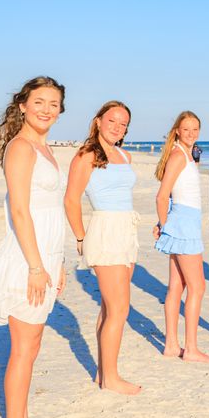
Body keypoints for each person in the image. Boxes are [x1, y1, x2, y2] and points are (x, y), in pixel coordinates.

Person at [0, 76, 67, 418]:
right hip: (27, 256)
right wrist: (35, 266)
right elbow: (20, 210)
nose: (46, 109)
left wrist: (57, 262)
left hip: (46, 254)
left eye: (53, 104)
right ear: (23, 106)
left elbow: (50, 209)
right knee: (23, 347)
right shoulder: (21, 148)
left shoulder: (44, 148)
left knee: (32, 345)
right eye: (39, 102)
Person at [64, 101, 142, 395]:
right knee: (120, 309)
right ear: (98, 121)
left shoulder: (125, 154)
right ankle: (111, 377)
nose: (117, 128)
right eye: (112, 121)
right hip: (105, 230)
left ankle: (102, 373)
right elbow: (71, 199)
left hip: (126, 231)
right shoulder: (86, 155)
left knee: (111, 307)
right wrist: (81, 238)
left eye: (123, 124)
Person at [153, 111, 209, 363]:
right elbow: (161, 195)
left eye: (195, 129)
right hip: (183, 224)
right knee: (198, 287)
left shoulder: (187, 154)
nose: (191, 134)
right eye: (186, 129)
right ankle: (190, 348)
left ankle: (171, 345)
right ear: (177, 130)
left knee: (176, 287)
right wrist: (164, 224)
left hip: (184, 221)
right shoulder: (179, 155)